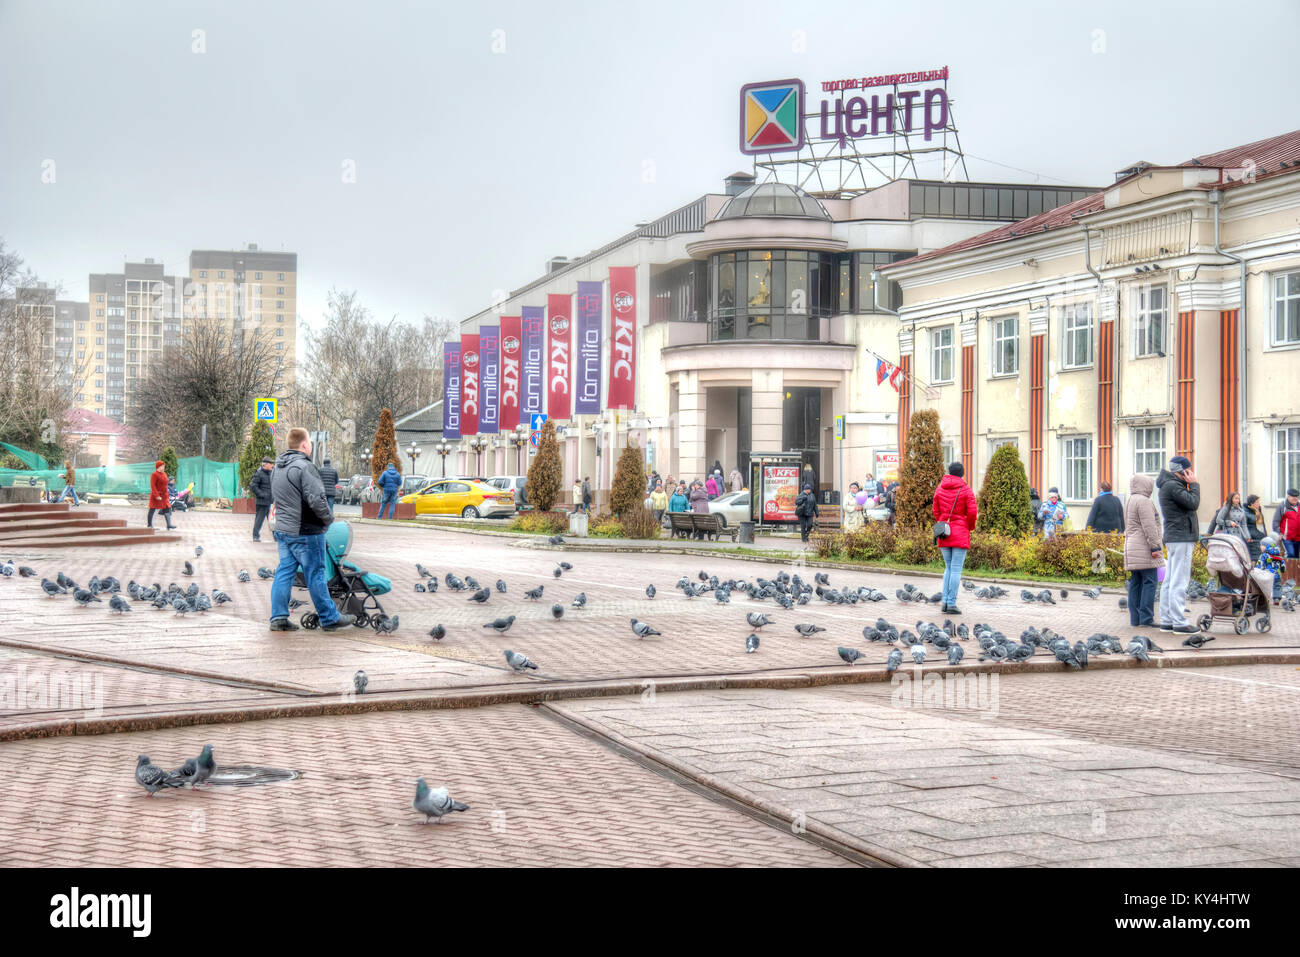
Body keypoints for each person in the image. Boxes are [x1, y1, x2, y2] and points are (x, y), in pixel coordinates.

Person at [269, 427, 354, 632]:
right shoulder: (304, 467)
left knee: (284, 572)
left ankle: (278, 617)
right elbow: (317, 500)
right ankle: (329, 617)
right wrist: (328, 520)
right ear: (305, 445)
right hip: (306, 531)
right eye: (310, 443)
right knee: (316, 573)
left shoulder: (277, 467)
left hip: (284, 530)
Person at [1156, 455, 1201, 634]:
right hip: (1181, 536)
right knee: (1179, 580)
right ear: (1183, 471)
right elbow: (1193, 503)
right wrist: (1195, 485)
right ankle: (1179, 621)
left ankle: (1167, 619)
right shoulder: (1173, 486)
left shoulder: (1170, 485)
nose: (1192, 473)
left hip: (1176, 536)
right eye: (1189, 470)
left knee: (1170, 579)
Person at [932, 462, 978, 615]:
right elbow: (972, 513)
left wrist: (944, 521)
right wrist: (968, 526)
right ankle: (951, 603)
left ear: (949, 472)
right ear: (962, 473)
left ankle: (945, 601)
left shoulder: (940, 488)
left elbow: (935, 510)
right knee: (956, 569)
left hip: (944, 531)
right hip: (960, 531)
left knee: (948, 568)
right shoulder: (966, 490)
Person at [1122, 473, 1164, 628]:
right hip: (1144, 547)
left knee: (1136, 582)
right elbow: (1149, 526)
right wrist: (1155, 546)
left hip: (1132, 546)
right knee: (1150, 581)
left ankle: (1135, 619)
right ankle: (1146, 618)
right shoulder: (1144, 501)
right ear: (1146, 486)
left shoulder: (1130, 500)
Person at [249, 457, 274, 542]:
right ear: (265, 464)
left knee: (273, 521)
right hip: (262, 502)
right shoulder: (259, 473)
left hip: (271, 502)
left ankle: (276, 537)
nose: (272, 465)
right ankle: (255, 536)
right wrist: (262, 495)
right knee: (259, 520)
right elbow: (253, 486)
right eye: (271, 464)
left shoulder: (272, 473)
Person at [147, 460, 177, 530]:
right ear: (158, 467)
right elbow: (153, 486)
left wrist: (167, 493)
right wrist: (156, 495)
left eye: (164, 466)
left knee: (167, 508)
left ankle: (169, 525)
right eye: (162, 466)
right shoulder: (154, 474)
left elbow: (166, 484)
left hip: (164, 496)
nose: (163, 467)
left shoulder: (164, 474)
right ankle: (149, 525)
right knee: (152, 509)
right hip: (156, 496)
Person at [1244, 494, 1267, 564]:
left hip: (1260, 537)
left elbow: (1262, 526)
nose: (1259, 504)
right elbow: (1244, 527)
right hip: (1253, 539)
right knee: (1255, 559)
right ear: (1252, 504)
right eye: (1257, 502)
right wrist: (1248, 536)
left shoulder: (1257, 511)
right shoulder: (1245, 513)